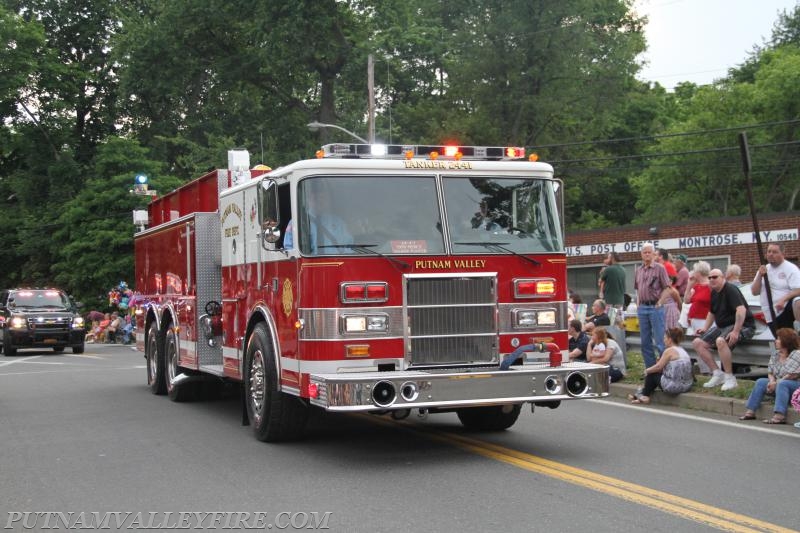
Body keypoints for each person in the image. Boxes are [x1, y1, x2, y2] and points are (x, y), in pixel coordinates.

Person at [693, 268, 756, 391]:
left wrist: (736, 331)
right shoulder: (714, 292)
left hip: (743, 326)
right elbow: (712, 312)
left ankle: (729, 378)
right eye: (710, 277)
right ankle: (717, 374)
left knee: (720, 341)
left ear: (723, 278)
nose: (711, 279)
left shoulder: (730, 290)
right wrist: (705, 328)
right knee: (697, 343)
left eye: (715, 277)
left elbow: (741, 310)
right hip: (723, 326)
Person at [738, 328, 800, 424]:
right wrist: (772, 381)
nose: (776, 341)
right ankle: (750, 411)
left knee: (783, 384)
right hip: (779, 384)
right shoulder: (775, 354)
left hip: (794, 386)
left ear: (786, 341)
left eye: (779, 339)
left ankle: (780, 416)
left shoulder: (796, 354)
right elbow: (770, 371)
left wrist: (776, 383)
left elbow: (793, 375)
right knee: (760, 382)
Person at [628, 328, 694, 405]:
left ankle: (645, 396)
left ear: (670, 339)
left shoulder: (669, 351)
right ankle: (640, 394)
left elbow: (658, 367)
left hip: (674, 387)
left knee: (652, 375)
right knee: (656, 376)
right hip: (687, 385)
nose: (664, 340)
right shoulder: (682, 350)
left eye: (665, 337)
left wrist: (646, 371)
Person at [750, 242, 800, 337]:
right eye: (769, 251)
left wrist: (783, 300)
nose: (771, 254)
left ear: (782, 253)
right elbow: (754, 292)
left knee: (798, 301)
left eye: (775, 252)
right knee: (782, 344)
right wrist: (760, 275)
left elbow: (798, 289)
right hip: (770, 314)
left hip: (785, 310)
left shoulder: (791, 268)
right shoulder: (764, 269)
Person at [635, 243, 671, 367]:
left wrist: (660, 302)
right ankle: (650, 370)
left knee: (660, 340)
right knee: (645, 342)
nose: (647, 254)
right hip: (642, 307)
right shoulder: (638, 270)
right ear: (641, 254)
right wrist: (638, 304)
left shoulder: (660, 268)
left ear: (654, 254)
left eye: (649, 252)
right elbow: (638, 289)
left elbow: (667, 288)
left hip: (655, 307)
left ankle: (664, 368)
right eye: (644, 252)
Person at [684, 261, 713, 373]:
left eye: (695, 271)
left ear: (699, 272)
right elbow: (686, 300)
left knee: (707, 345)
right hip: (695, 320)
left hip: (706, 320)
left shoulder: (710, 286)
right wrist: (689, 286)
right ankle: (704, 369)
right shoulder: (696, 286)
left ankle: (712, 369)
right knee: (697, 344)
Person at [599, 252, 626, 322]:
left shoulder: (608, 269)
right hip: (620, 301)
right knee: (619, 322)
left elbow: (600, 282)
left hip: (609, 301)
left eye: (608, 258)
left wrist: (602, 273)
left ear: (612, 258)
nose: (607, 259)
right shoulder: (623, 269)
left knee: (609, 322)